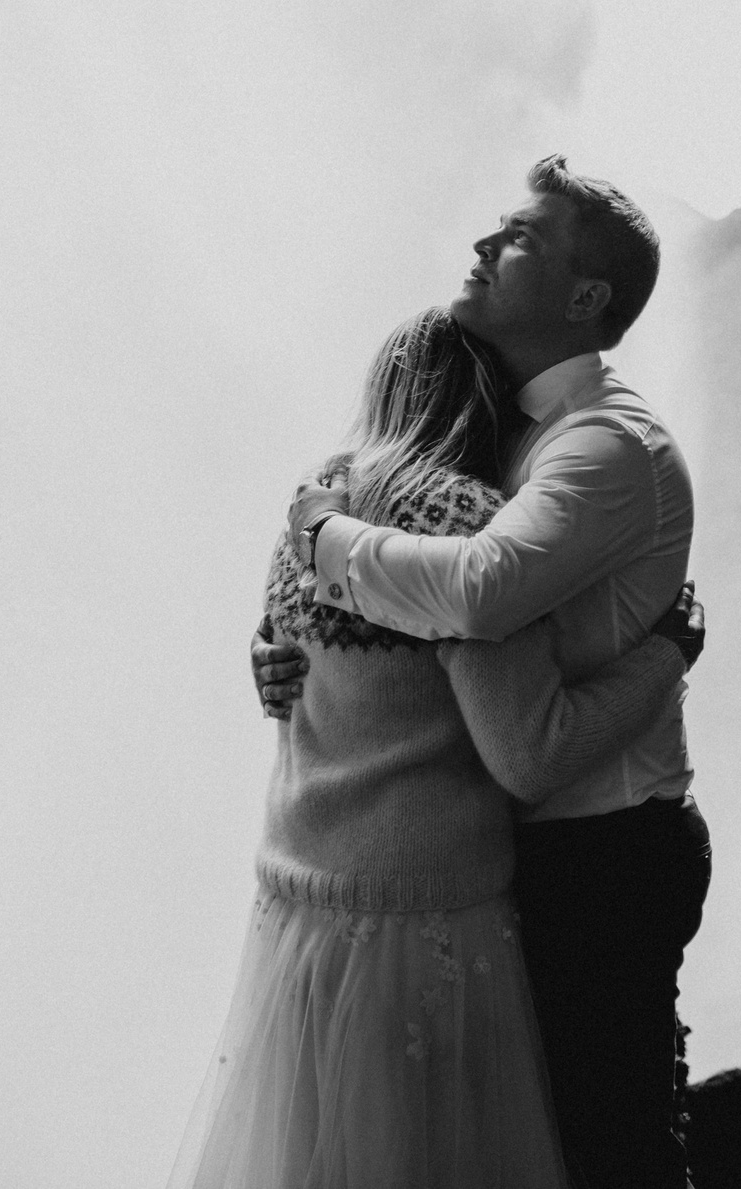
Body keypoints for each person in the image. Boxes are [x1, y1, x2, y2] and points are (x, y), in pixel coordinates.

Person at [172, 306, 702, 1189]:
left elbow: (288, 666)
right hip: (419, 922)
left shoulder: (314, 503)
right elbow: (530, 755)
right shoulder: (459, 517)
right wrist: (665, 658)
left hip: (296, 914)